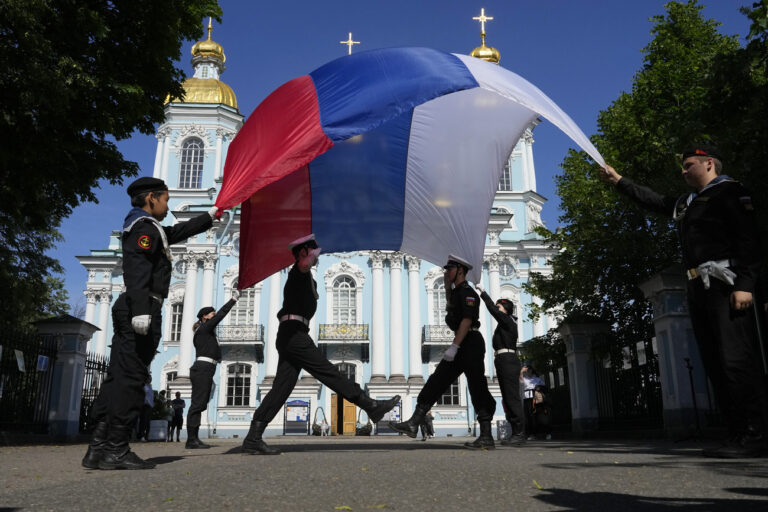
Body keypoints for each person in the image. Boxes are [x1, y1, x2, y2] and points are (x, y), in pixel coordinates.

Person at [599, 144, 766, 458]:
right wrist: (619, 180)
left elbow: (749, 239)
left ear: (708, 164)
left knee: (737, 361)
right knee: (715, 362)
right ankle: (737, 434)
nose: (683, 170)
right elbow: (657, 202)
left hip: (726, 285)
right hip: (699, 287)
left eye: (689, 165)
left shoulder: (729, 193)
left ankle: (756, 434)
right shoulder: (689, 202)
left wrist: (745, 284)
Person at [82, 176, 217, 470]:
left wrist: (210, 216)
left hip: (133, 306)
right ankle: (116, 449)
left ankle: (97, 448)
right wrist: (142, 310)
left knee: (118, 378)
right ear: (151, 198)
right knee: (131, 379)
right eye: (165, 200)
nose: (168, 205)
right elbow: (137, 267)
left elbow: (176, 232)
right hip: (141, 306)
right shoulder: (143, 227)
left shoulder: (148, 226)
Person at [241, 234, 400, 455]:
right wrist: (306, 255)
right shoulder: (298, 272)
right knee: (328, 372)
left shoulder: (307, 278)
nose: (318, 254)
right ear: (304, 253)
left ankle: (253, 437)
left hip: (293, 333)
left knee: (281, 389)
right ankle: (370, 405)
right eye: (314, 250)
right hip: (294, 334)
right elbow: (303, 264)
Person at [390, 255, 497, 449]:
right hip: (461, 341)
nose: (446, 272)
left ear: (460, 270)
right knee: (437, 379)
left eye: (449, 269)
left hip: (470, 341)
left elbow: (466, 320)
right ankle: (415, 422)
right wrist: (447, 287)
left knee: (477, 386)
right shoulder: (456, 293)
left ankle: (487, 435)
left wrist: (455, 346)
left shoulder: (468, 292)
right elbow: (452, 312)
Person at [185, 291, 240, 449]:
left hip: (206, 368)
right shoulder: (203, 329)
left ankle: (193, 438)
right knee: (197, 404)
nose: (214, 316)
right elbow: (221, 315)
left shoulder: (206, 332)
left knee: (201, 404)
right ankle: (191, 439)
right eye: (212, 314)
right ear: (205, 317)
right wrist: (233, 299)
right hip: (203, 368)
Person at [475, 284, 526, 446]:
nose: (497, 309)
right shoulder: (505, 323)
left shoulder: (508, 321)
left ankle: (520, 433)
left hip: (508, 360)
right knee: (507, 397)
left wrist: (483, 292)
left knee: (512, 397)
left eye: (499, 307)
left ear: (505, 309)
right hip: (503, 360)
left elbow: (492, 310)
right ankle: (516, 433)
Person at [520, 364, 546, 440]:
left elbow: (543, 386)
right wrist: (521, 372)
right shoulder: (524, 378)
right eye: (526, 370)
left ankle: (535, 433)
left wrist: (538, 388)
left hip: (535, 399)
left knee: (534, 416)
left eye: (528, 370)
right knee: (527, 416)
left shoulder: (537, 379)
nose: (527, 372)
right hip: (526, 398)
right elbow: (520, 381)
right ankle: (528, 433)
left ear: (531, 371)